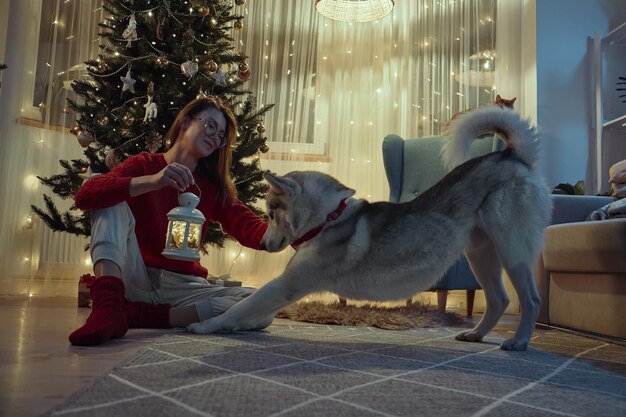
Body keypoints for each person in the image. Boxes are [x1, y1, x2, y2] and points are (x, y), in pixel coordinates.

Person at [69, 96, 270, 346]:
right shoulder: (145, 164)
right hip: (137, 277)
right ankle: (107, 307)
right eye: (210, 126)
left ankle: (138, 315)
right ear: (186, 122)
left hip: (184, 288)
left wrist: (299, 229)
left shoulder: (212, 188)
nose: (215, 137)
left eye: (220, 136)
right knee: (109, 196)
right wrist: (154, 181)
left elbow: (250, 227)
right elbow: (86, 194)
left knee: (263, 304)